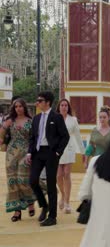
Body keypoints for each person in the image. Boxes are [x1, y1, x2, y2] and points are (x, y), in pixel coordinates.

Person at [27, 91, 70, 226]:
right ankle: (44, 205)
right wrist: (29, 153)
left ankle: (52, 217)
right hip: (38, 153)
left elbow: (65, 136)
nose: (37, 103)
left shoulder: (56, 117)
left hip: (51, 153)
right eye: (37, 100)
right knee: (33, 181)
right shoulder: (36, 118)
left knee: (51, 184)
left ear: (47, 102)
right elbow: (32, 137)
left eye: (40, 100)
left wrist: (58, 152)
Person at [0, 99, 35, 221]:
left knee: (22, 179)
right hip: (11, 153)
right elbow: (1, 133)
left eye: (20, 106)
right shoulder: (10, 120)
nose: (18, 108)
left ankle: (31, 202)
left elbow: (34, 138)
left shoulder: (31, 121)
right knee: (12, 181)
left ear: (24, 107)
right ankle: (17, 211)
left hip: (25, 153)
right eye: (16, 107)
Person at [56, 99, 85, 214]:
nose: (64, 107)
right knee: (58, 175)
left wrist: (83, 152)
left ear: (68, 107)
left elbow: (78, 136)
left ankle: (67, 202)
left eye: (66, 105)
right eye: (62, 105)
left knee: (67, 174)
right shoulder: (54, 118)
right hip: (57, 150)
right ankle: (62, 195)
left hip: (69, 149)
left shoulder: (73, 120)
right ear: (59, 107)